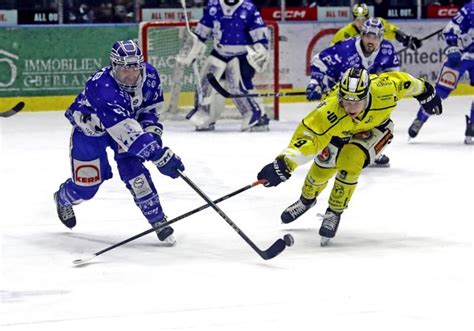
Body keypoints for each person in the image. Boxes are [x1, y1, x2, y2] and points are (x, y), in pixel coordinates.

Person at [257, 68, 442, 246]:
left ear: (368, 94)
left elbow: (407, 82)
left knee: (350, 161)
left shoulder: (385, 90)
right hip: (339, 133)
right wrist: (284, 163)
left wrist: (426, 91)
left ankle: (334, 212)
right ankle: (306, 200)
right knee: (320, 170)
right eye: (346, 101)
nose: (351, 107)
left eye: (356, 102)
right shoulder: (329, 110)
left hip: (377, 130)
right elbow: (308, 137)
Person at [53, 40, 185, 246]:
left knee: (134, 171)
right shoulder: (102, 87)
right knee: (86, 188)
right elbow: (124, 130)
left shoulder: (150, 76)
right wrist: (157, 154)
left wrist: (154, 139)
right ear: (114, 66)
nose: (131, 75)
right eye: (125, 69)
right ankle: (62, 198)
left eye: (135, 67)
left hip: (126, 126)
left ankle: (157, 220)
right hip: (91, 131)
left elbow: (149, 111)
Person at [307, 17, 399, 167]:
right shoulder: (345, 48)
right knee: (338, 121)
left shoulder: (387, 50)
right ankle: (331, 148)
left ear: (381, 38)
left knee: (378, 119)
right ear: (362, 35)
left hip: (366, 97)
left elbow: (393, 77)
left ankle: (369, 150)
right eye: (368, 35)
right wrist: (314, 84)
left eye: (375, 37)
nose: (371, 40)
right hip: (342, 94)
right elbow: (319, 61)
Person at [179, 0, 271, 131]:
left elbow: (260, 34)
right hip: (219, 53)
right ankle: (206, 115)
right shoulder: (214, 6)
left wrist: (261, 48)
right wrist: (195, 45)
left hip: (242, 55)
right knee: (207, 85)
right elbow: (203, 30)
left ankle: (257, 115)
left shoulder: (249, 8)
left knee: (239, 86)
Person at [408, 2, 474, 144]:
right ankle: (420, 119)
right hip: (460, 57)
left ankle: (473, 125)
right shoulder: (471, 10)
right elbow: (450, 30)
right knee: (442, 91)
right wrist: (453, 49)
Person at [331, 3, 423, 51]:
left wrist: (406, 39)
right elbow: (332, 50)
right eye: (358, 20)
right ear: (353, 19)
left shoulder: (376, 24)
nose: (361, 23)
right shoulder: (344, 33)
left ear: (367, 17)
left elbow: (392, 31)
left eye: (363, 19)